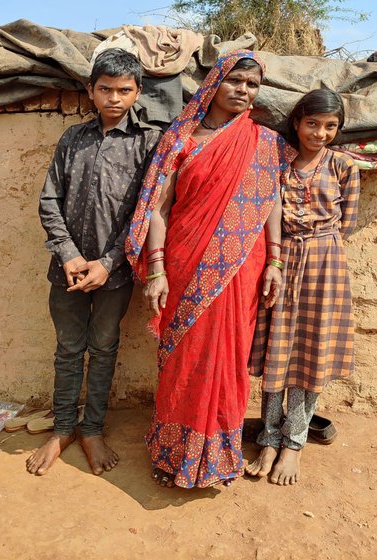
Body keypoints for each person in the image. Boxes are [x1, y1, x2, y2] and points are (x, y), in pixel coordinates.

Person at [125, 51, 293, 489]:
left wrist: (276, 260)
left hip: (241, 267)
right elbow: (158, 209)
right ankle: (173, 452)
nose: (243, 90)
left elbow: (270, 202)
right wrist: (157, 270)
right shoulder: (180, 140)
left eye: (252, 85)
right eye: (235, 80)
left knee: (230, 358)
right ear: (214, 82)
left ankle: (219, 454)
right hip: (184, 263)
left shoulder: (264, 142)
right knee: (184, 358)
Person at [27, 48, 162, 476]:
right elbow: (50, 201)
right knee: (68, 349)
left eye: (124, 90)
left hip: (115, 273)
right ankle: (63, 429)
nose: (114, 98)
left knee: (103, 349)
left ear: (138, 92)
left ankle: (92, 430)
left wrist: (106, 262)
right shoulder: (73, 139)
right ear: (90, 90)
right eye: (105, 89)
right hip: (65, 270)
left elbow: (146, 210)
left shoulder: (149, 142)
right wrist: (69, 255)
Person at [246, 89, 360, 485]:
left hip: (325, 265)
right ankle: (268, 438)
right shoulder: (278, 163)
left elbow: (347, 223)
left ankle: (293, 444)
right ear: (296, 122)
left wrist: (317, 248)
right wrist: (279, 257)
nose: (320, 133)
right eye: (312, 123)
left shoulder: (344, 167)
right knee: (278, 352)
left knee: (310, 356)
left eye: (330, 126)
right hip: (280, 261)